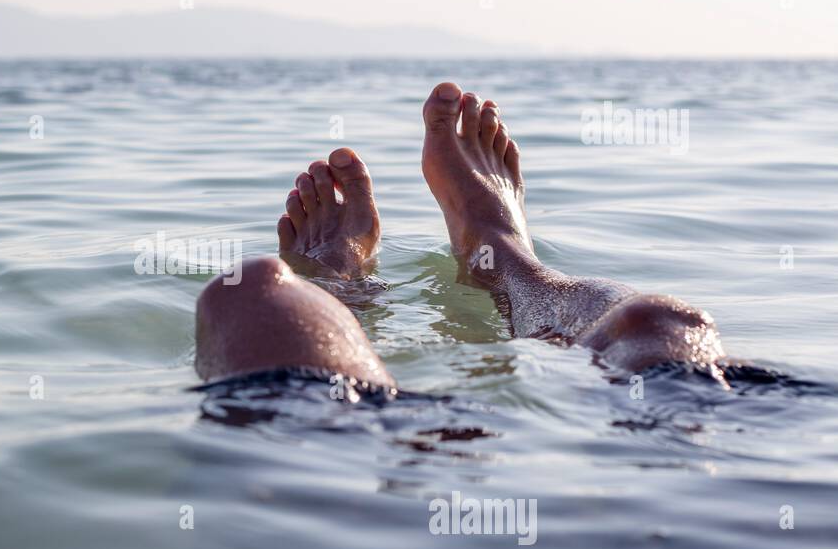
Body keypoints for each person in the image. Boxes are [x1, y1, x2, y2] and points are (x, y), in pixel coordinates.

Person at [195, 82, 728, 395]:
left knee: (254, 294)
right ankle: (498, 252)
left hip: (338, 450)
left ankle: (340, 284)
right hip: (707, 446)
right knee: (657, 325)